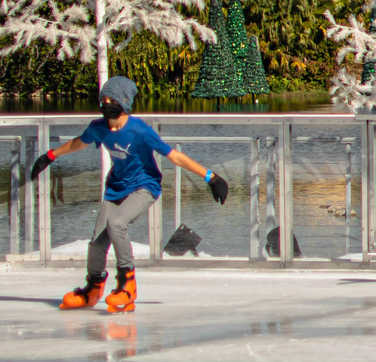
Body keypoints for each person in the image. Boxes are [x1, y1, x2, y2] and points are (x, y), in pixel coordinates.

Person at [30, 76, 229, 313]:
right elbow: (79, 143)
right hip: (116, 187)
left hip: (145, 187)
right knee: (97, 242)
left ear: (124, 102)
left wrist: (211, 177)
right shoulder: (99, 128)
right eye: (103, 99)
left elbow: (174, 156)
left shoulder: (140, 130)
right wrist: (50, 156)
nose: (106, 104)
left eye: (111, 99)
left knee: (117, 223)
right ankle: (92, 289)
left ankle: (127, 283)